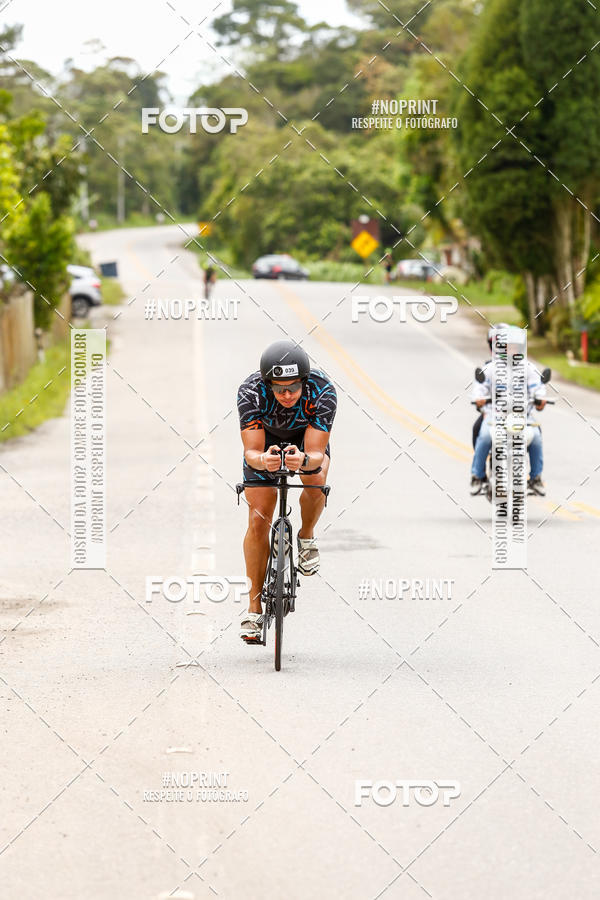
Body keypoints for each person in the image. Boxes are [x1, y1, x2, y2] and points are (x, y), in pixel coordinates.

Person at [237, 340, 337, 642]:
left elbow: (317, 454)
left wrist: (304, 460)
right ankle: (254, 609)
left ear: (304, 381)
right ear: (267, 383)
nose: (287, 394)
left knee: (316, 479)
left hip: (305, 441)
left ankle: (306, 535)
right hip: (264, 442)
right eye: (279, 388)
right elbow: (251, 451)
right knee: (258, 519)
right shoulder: (250, 391)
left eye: (293, 387)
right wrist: (263, 460)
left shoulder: (323, 391)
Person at [470, 324, 547, 495]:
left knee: (536, 439)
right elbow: (479, 387)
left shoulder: (529, 368)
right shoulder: (490, 368)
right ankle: (477, 475)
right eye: (508, 346)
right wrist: (479, 399)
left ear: (521, 348)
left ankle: (535, 478)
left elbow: (538, 387)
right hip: (494, 417)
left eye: (515, 347)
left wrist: (541, 398)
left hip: (522, 417)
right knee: (483, 437)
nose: (511, 350)